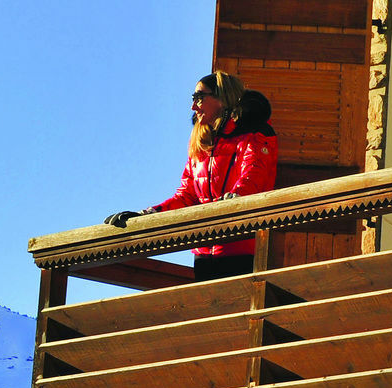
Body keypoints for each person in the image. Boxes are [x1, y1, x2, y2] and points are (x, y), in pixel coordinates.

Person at [104, 74, 278, 281]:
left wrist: (234, 199)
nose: (194, 107)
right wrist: (149, 214)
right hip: (203, 254)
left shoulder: (255, 133)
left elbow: (254, 176)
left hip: (243, 247)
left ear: (222, 97)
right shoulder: (202, 144)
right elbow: (187, 195)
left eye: (199, 97)